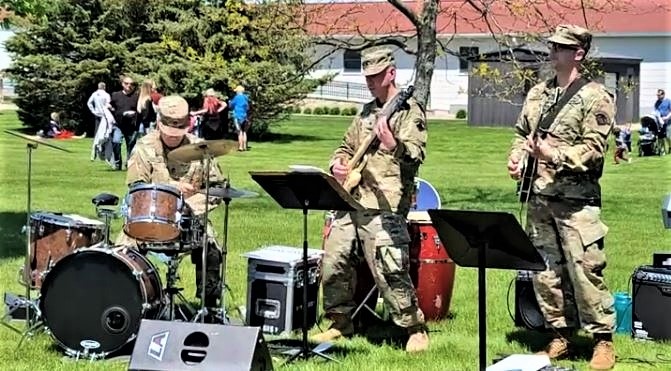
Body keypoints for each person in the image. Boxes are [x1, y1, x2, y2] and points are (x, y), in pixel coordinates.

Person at [506, 25, 616, 370]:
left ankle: (602, 341)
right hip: (539, 200)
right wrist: (517, 157)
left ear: (579, 53)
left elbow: (593, 151)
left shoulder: (596, 96)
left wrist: (553, 155)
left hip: (575, 203)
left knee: (585, 271)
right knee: (546, 272)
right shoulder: (538, 93)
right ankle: (560, 335)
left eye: (561, 47)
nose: (552, 52)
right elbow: (522, 134)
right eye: (551, 46)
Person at [311, 47, 429, 353]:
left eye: (376, 77)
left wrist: (394, 144)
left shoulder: (409, 111)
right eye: (367, 77)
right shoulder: (365, 113)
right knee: (333, 260)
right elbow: (345, 147)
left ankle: (414, 327)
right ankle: (340, 321)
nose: (370, 83)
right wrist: (337, 163)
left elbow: (416, 154)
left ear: (391, 73)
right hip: (352, 198)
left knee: (389, 267)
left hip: (385, 205)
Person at [120, 95, 225, 320]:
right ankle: (129, 301)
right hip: (151, 216)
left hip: (190, 217)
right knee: (122, 252)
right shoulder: (145, 147)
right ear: (159, 123)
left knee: (212, 247)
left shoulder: (200, 149)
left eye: (178, 131)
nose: (172, 136)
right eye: (168, 131)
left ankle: (210, 306)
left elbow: (218, 187)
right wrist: (173, 188)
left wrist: (194, 203)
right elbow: (136, 186)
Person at [109, 75, 139, 170]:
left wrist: (134, 114)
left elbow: (141, 111)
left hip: (131, 126)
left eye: (131, 84)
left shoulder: (136, 97)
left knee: (131, 146)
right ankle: (117, 163)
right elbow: (110, 107)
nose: (129, 86)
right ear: (122, 84)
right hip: (118, 125)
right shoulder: (115, 95)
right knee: (116, 142)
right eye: (126, 83)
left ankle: (129, 164)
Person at [87, 82, 111, 160]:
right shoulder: (106, 95)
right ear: (104, 87)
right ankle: (102, 150)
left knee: (97, 134)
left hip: (98, 115)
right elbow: (108, 104)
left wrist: (93, 111)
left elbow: (89, 103)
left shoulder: (94, 94)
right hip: (105, 115)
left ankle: (94, 153)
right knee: (105, 134)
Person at [228, 85, 250, 151]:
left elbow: (231, 105)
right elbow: (248, 107)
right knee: (244, 132)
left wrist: (229, 102)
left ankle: (240, 147)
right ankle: (245, 146)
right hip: (245, 116)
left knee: (239, 132)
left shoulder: (236, 98)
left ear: (237, 91)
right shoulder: (246, 97)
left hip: (237, 115)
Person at [654, 89, 671, 154]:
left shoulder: (668, 101)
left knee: (668, 136)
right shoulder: (657, 102)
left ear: (663, 95)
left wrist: (667, 117)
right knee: (660, 137)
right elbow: (656, 111)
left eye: (659, 95)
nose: (658, 96)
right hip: (660, 122)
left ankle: (670, 147)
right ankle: (661, 149)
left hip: (668, 122)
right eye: (657, 95)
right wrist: (659, 117)